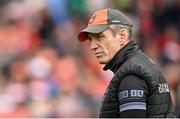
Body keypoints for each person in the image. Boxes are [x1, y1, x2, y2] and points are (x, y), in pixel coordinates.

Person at [77, 8, 176, 118]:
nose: (92, 46)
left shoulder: (130, 75)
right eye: (91, 40)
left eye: (100, 37)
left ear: (122, 36)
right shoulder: (139, 64)